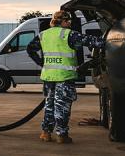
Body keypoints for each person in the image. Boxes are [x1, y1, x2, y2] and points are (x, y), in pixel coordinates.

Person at [27, 10, 105, 144]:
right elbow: (93, 42)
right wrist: (109, 41)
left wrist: (41, 62)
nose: (69, 23)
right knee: (62, 106)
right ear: (63, 21)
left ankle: (46, 133)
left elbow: (30, 48)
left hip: (48, 77)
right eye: (68, 21)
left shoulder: (43, 35)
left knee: (49, 105)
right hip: (65, 77)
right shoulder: (68, 34)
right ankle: (62, 135)